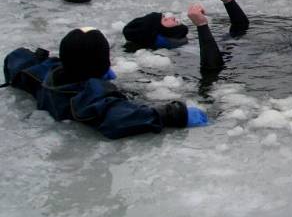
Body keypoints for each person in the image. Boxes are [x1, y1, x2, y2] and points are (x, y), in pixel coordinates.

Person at [3, 27, 208, 139]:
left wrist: (49, 60)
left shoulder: (45, 76)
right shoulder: (88, 97)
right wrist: (174, 114)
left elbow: (16, 59)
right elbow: (117, 118)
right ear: (102, 63)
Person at [122, 0, 249, 56]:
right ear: (157, 34)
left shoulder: (189, 42)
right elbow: (215, 65)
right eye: (165, 19)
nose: (171, 16)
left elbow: (240, 31)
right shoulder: (183, 55)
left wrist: (228, 1)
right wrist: (202, 25)